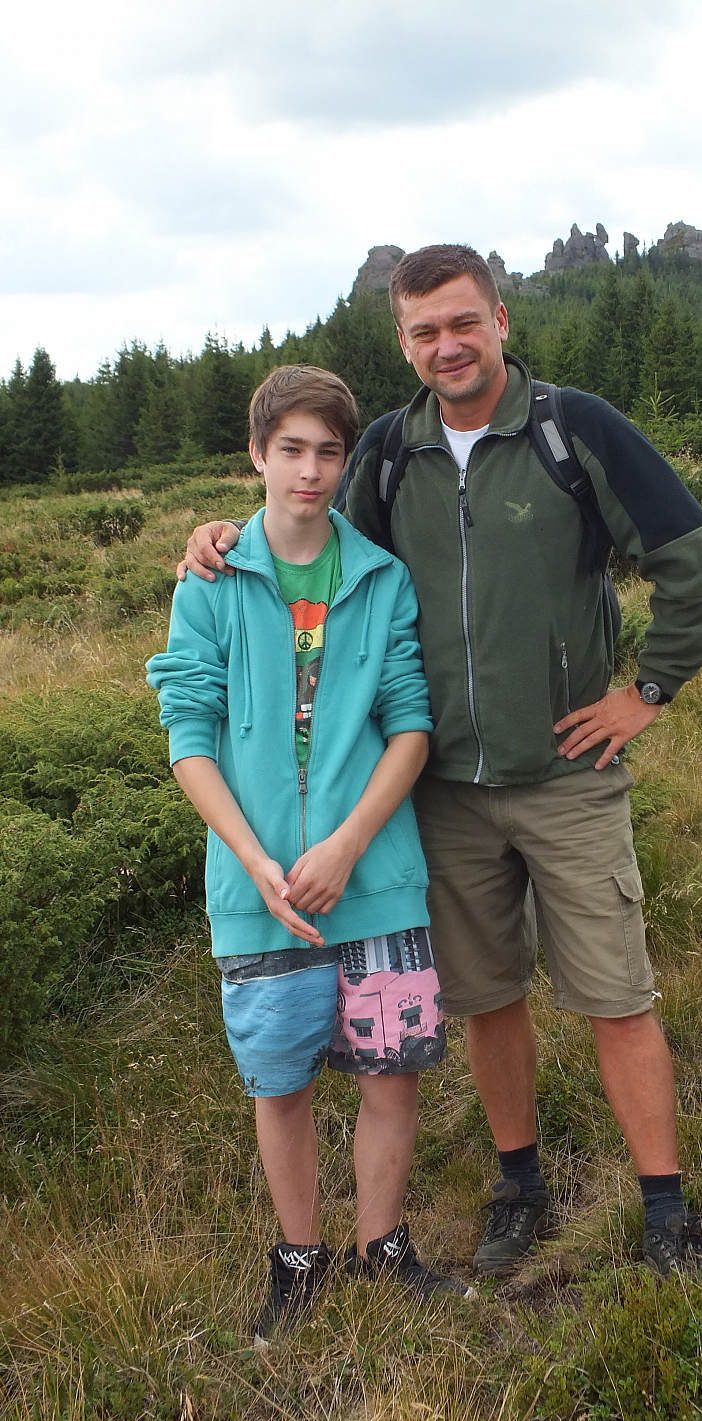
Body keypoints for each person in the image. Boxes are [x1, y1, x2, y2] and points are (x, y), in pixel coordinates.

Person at [180, 247, 702, 1279]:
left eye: (464, 322)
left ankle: (666, 1212)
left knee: (616, 995)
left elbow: (697, 562)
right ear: (403, 342)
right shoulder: (389, 454)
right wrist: (222, 538)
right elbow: (319, 549)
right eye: (426, 330)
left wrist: (648, 691)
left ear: (501, 321)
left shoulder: (574, 429)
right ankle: (520, 1185)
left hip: (566, 778)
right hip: (442, 794)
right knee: (488, 998)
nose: (449, 345)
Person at [149, 364, 471, 1341]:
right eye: (290, 449)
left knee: (391, 1072)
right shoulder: (213, 581)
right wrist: (255, 861)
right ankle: (298, 1259)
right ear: (257, 453)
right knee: (279, 1082)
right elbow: (188, 736)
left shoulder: (379, 578)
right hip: (262, 895)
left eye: (329, 452)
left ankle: (383, 1245)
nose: (311, 471)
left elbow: (409, 726)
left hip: (376, 881)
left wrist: (348, 843)